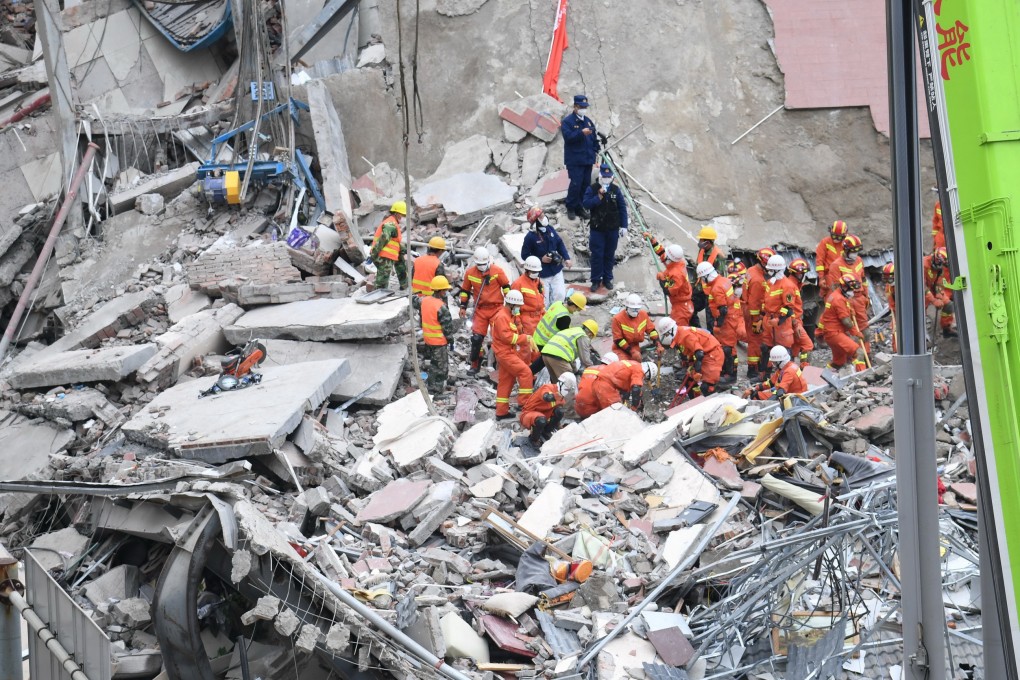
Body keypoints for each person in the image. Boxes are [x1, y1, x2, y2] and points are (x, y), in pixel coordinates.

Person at [458, 247, 511, 374]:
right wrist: (463, 307)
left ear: (488, 261)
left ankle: (502, 366)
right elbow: (465, 291)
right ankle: (475, 363)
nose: (481, 267)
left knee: (499, 338)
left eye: (483, 264)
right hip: (480, 310)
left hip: (497, 309)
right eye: (478, 264)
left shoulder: (497, 271)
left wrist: (509, 306)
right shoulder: (470, 273)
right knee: (476, 339)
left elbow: (506, 287)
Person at [583, 163, 628, 294]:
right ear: (600, 176)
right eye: (604, 177)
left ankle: (607, 278)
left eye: (609, 177)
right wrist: (598, 197)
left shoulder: (616, 190)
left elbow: (622, 208)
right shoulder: (593, 189)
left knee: (609, 255)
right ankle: (596, 280)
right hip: (597, 229)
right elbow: (586, 203)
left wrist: (624, 226)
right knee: (597, 255)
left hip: (612, 229)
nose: (607, 179)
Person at [491, 290, 535, 420]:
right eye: (518, 306)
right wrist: (524, 338)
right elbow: (507, 337)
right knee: (526, 372)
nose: (519, 308)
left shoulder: (508, 315)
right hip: (505, 353)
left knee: (506, 381)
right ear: (511, 304)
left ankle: (501, 412)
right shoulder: (502, 317)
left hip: (507, 352)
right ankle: (525, 404)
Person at [655, 318, 725, 399]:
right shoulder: (678, 335)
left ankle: (712, 401)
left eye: (666, 335)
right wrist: (691, 365)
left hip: (713, 354)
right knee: (688, 380)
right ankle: (695, 400)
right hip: (704, 354)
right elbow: (689, 352)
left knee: (707, 387)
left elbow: (699, 354)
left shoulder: (686, 335)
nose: (666, 337)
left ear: (671, 331)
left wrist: (697, 372)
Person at [697, 261, 741, 383]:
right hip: (731, 317)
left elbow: (723, 309)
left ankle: (731, 375)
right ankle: (728, 372)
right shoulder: (723, 280)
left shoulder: (717, 287)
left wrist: (718, 324)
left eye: (702, 278)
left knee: (727, 348)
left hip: (726, 320)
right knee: (727, 347)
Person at [825, 234, 870, 347]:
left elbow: (863, 279)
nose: (856, 254)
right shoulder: (836, 265)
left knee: (865, 329)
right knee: (848, 329)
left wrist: (866, 296)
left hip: (859, 298)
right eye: (853, 251)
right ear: (846, 250)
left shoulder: (859, 260)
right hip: (846, 299)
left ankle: (866, 356)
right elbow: (835, 288)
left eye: (857, 251)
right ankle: (853, 357)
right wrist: (844, 304)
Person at [521, 206, 573, 306]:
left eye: (543, 214)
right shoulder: (530, 237)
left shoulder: (550, 229)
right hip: (542, 274)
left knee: (560, 295)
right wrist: (541, 260)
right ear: (535, 220)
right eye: (540, 216)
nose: (544, 217)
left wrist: (566, 258)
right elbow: (525, 256)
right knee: (544, 301)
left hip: (556, 269)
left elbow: (559, 243)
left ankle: (557, 316)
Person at [561, 94, 601, 221]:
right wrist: (581, 133)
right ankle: (571, 207)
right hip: (575, 160)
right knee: (575, 184)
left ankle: (580, 207)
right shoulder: (567, 122)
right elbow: (568, 138)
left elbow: (594, 139)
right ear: (575, 106)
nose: (584, 109)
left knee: (585, 184)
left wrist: (596, 149)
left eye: (585, 106)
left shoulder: (588, 121)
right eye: (581, 106)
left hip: (587, 160)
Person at [575, 355, 654, 418]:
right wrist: (634, 407)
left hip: (580, 405)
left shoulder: (630, 364)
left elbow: (621, 379)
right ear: (647, 372)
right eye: (646, 378)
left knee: (611, 410)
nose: (643, 379)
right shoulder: (639, 370)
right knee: (615, 413)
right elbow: (636, 389)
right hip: (603, 391)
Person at [413, 275, 456, 393]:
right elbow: (447, 328)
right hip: (439, 342)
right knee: (440, 368)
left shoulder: (424, 301)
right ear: (441, 291)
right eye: (445, 290)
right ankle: (435, 391)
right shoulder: (442, 307)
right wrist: (451, 341)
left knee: (433, 364)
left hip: (428, 340)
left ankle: (431, 386)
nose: (446, 292)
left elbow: (414, 301)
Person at [818, 275, 868, 372]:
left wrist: (850, 310)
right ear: (844, 287)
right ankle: (861, 376)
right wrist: (856, 333)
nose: (853, 292)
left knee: (838, 362)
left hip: (831, 334)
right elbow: (846, 321)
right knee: (859, 352)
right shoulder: (838, 299)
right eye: (851, 289)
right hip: (835, 334)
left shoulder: (836, 295)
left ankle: (824, 376)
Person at [531, 292, 588, 374]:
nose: (576, 311)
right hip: (544, 343)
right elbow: (565, 337)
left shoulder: (558, 304)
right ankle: (527, 374)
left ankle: (528, 374)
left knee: (543, 361)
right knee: (546, 360)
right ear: (574, 306)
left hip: (537, 336)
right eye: (577, 309)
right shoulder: (564, 317)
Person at [646, 235, 694, 326]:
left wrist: (662, 279)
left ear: (670, 258)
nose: (665, 257)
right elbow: (662, 253)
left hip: (682, 307)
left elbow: (668, 291)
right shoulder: (677, 262)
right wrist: (652, 240)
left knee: (679, 332)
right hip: (682, 304)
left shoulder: (677, 274)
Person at [742, 248, 774, 379]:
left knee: (753, 340)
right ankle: (753, 369)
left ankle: (754, 366)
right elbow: (755, 303)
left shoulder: (751, 270)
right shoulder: (758, 280)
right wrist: (757, 320)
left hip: (746, 308)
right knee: (755, 340)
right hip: (752, 313)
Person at [511, 256, 546, 362]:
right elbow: (514, 307)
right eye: (533, 271)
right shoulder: (518, 284)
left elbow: (542, 302)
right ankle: (524, 371)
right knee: (526, 347)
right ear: (527, 270)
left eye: (537, 271)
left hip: (539, 318)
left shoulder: (539, 283)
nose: (535, 273)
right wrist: (518, 322)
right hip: (526, 319)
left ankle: (535, 370)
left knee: (538, 346)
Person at [368, 201, 408, 291]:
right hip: (384, 255)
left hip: (389, 254)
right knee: (382, 280)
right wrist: (374, 253)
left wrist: (403, 250)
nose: (404, 217)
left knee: (401, 266)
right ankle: (378, 294)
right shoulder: (390, 224)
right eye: (403, 215)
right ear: (397, 213)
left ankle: (405, 286)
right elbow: (384, 238)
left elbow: (394, 241)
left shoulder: (393, 223)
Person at [693, 226, 727, 330]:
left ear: (707, 242)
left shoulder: (719, 256)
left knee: (711, 321)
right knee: (690, 310)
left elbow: (720, 278)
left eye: (701, 240)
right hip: (699, 289)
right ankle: (697, 332)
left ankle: (711, 341)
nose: (699, 241)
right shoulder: (702, 250)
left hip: (711, 293)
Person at [783, 258, 815, 365]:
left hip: (795, 320)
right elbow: (788, 307)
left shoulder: (794, 284)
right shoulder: (790, 286)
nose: (805, 275)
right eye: (803, 273)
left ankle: (790, 369)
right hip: (793, 322)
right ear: (798, 274)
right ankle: (804, 369)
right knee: (808, 345)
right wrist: (795, 324)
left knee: (795, 347)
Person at [611, 293, 660, 361]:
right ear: (627, 307)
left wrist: (658, 344)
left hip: (635, 346)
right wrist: (631, 351)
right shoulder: (617, 319)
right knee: (624, 366)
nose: (635, 311)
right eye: (633, 309)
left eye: (637, 309)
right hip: (621, 349)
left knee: (636, 366)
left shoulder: (643, 315)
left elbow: (652, 330)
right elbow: (618, 339)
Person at [519, 379, 566, 446]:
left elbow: (557, 410)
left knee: (560, 411)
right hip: (528, 413)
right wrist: (554, 396)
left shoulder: (561, 397)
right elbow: (546, 396)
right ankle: (533, 439)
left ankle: (547, 431)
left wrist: (558, 425)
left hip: (543, 416)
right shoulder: (548, 387)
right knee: (541, 420)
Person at [924, 247, 957, 338]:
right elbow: (922, 287)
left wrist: (939, 296)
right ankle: (921, 336)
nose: (941, 266)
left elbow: (939, 282)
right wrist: (934, 301)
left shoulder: (940, 267)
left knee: (949, 305)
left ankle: (946, 329)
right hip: (921, 292)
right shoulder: (923, 265)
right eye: (940, 263)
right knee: (920, 313)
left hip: (932, 288)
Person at [883, 262, 897, 352]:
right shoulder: (889, 286)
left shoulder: (905, 285)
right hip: (896, 312)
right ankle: (896, 352)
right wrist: (892, 307)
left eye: (890, 278)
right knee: (895, 331)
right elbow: (890, 299)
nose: (888, 280)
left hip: (908, 313)